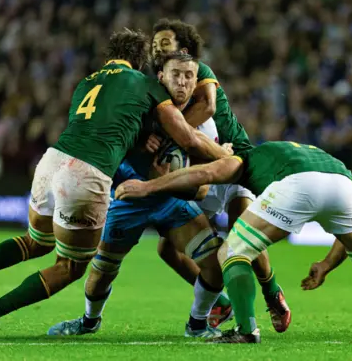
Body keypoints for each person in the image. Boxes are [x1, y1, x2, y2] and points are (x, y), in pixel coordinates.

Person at [0, 30, 230, 339]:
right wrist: (227, 157)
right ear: (140, 63)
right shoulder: (145, 84)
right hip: (86, 174)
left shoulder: (87, 83)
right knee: (70, 266)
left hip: (52, 161)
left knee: (35, 242)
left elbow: (108, 126)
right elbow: (187, 137)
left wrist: (140, 138)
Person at [115, 141, 352, 344]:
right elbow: (344, 236)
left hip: (298, 185)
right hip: (343, 184)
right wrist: (326, 265)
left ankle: (246, 329)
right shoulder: (306, 150)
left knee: (231, 252)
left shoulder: (244, 159)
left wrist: (146, 187)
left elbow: (204, 174)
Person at [47, 52, 226, 339]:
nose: (181, 82)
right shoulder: (137, 105)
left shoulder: (205, 126)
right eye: (175, 74)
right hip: (129, 199)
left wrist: (161, 182)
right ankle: (89, 321)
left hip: (173, 201)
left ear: (196, 82)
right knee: (100, 273)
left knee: (214, 265)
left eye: (188, 76)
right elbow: (110, 152)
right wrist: (139, 147)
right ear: (161, 77)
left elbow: (203, 187)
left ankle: (197, 324)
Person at [149, 18, 289, 332]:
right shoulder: (156, 85)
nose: (158, 48)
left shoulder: (196, 73)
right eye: (155, 44)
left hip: (233, 158)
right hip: (202, 170)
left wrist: (169, 131)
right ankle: (219, 300)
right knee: (166, 249)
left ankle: (271, 292)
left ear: (183, 49)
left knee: (242, 236)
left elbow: (208, 109)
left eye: (165, 43)